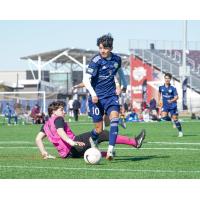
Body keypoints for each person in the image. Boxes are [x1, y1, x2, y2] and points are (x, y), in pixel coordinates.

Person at [35, 101, 146, 159]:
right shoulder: (58, 119)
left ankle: (105, 154)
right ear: (53, 112)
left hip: (68, 155)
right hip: (73, 146)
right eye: (61, 110)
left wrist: (44, 153)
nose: (64, 112)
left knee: (95, 142)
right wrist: (72, 142)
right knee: (102, 133)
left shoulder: (46, 125)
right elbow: (60, 132)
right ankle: (135, 142)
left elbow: (38, 139)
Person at [83, 33, 130, 160]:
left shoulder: (117, 59)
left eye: (104, 48)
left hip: (111, 96)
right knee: (99, 129)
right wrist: (93, 94)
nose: (102, 51)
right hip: (96, 98)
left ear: (110, 48)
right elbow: (86, 80)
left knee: (114, 119)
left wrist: (124, 85)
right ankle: (93, 138)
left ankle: (110, 151)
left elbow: (120, 71)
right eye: (100, 48)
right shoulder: (96, 60)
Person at [158, 73, 183, 137]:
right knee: (163, 117)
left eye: (168, 78)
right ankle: (172, 120)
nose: (167, 79)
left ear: (170, 79)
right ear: (164, 78)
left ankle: (180, 132)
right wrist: (159, 100)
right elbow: (159, 92)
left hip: (173, 105)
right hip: (165, 105)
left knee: (175, 119)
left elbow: (177, 97)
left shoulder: (173, 88)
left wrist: (171, 100)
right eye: (166, 78)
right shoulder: (161, 87)